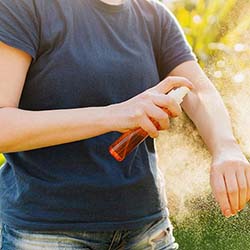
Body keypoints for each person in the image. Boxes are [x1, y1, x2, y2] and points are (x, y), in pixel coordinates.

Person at [0, 0, 249, 249]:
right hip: (47, 233)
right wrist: (114, 115)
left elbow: (195, 89)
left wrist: (226, 146)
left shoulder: (154, 16)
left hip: (148, 231)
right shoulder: (24, 7)